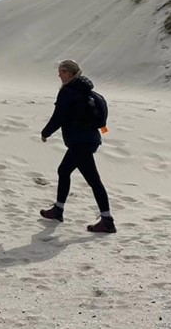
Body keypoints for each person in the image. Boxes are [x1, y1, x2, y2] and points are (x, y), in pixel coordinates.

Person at [38, 60, 114, 233]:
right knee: (64, 170)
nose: (59, 75)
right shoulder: (84, 89)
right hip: (88, 139)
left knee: (94, 180)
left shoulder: (68, 92)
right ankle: (58, 209)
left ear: (70, 73)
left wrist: (45, 132)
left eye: (61, 72)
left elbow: (59, 116)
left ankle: (107, 220)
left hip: (81, 142)